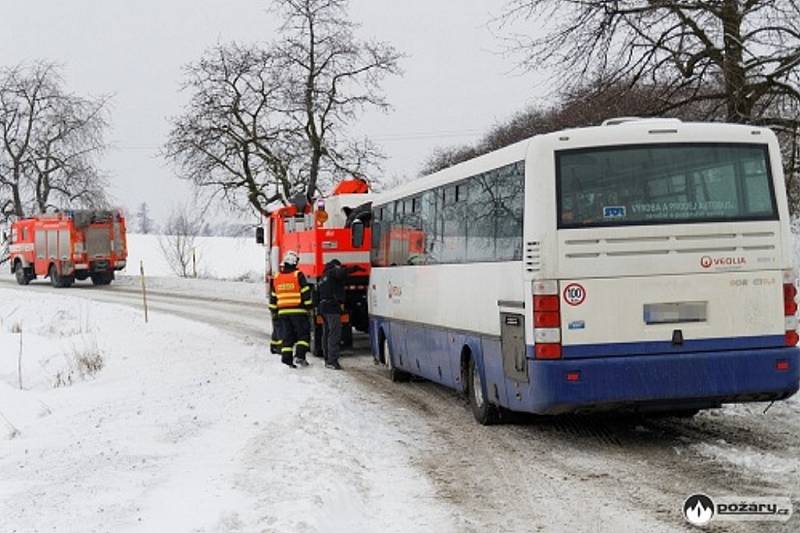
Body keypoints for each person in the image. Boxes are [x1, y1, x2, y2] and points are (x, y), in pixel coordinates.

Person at [318, 259, 364, 370]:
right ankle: (332, 361)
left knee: (327, 334)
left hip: (324, 308)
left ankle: (327, 359)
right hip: (332, 308)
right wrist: (354, 268)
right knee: (334, 334)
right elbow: (341, 272)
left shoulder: (324, 276)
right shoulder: (333, 272)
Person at [270, 250, 313, 368]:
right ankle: (300, 356)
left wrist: (274, 311)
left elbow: (273, 297)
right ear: (294, 263)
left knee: (287, 337)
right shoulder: (298, 275)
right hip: (298, 311)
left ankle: (287, 360)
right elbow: (305, 292)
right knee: (303, 336)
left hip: (282, 313)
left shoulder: (277, 277)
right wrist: (309, 306)